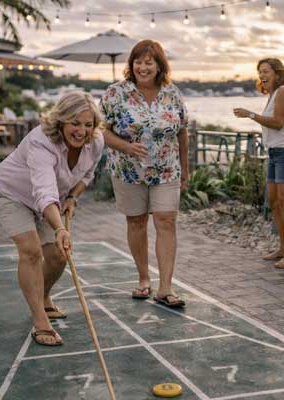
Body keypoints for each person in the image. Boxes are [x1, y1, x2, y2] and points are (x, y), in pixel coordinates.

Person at [0, 91, 104, 346]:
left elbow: (87, 176)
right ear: (61, 120)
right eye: (75, 123)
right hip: (12, 194)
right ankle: (40, 320)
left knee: (58, 256)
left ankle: (44, 296)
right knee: (31, 251)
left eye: (88, 124)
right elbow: (45, 192)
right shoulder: (41, 142)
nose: (81, 131)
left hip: (51, 200)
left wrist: (73, 198)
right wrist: (60, 228)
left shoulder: (96, 142)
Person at [100, 40, 189, 308]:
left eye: (149, 62)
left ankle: (165, 287)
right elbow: (99, 130)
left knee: (165, 221)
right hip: (128, 171)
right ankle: (143, 278)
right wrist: (126, 146)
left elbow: (182, 131)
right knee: (137, 222)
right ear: (131, 65)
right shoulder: (116, 93)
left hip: (166, 169)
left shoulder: (172, 94)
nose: (143, 66)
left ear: (160, 65)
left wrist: (185, 169)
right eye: (138, 61)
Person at [233, 58, 284, 269]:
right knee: (273, 202)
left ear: (278, 73)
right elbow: (272, 124)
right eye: (260, 72)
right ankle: (283, 248)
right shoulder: (274, 94)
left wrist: (251, 115)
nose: (262, 76)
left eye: (266, 71)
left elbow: (279, 123)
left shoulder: (283, 91)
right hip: (275, 152)